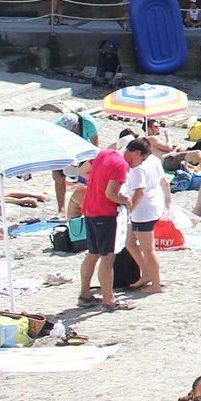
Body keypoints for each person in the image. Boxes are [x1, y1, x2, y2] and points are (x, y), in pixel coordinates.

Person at [78, 133, 133, 310]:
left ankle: (85, 294)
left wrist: (98, 182)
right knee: (107, 257)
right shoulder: (120, 164)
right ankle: (109, 300)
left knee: (92, 253)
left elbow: (83, 171)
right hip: (105, 213)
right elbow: (111, 194)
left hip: (90, 209)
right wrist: (126, 200)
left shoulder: (103, 154)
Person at [122, 138, 167, 296]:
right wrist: (168, 200)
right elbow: (164, 181)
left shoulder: (137, 167)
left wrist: (130, 210)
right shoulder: (153, 159)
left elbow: (140, 191)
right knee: (130, 242)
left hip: (144, 209)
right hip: (155, 203)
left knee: (148, 249)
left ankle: (156, 285)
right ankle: (147, 273)